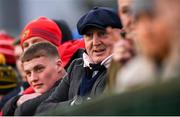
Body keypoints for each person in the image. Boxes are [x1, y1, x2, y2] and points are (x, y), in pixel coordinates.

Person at [35, 7, 122, 115]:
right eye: (89, 35)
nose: (95, 42)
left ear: (119, 35)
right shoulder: (76, 67)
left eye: (102, 34)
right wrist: (76, 104)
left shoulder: (123, 66)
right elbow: (44, 108)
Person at [2, 42, 66, 116]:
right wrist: (16, 101)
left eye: (39, 69)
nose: (33, 79)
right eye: (28, 73)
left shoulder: (75, 86)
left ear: (58, 65)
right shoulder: (27, 95)